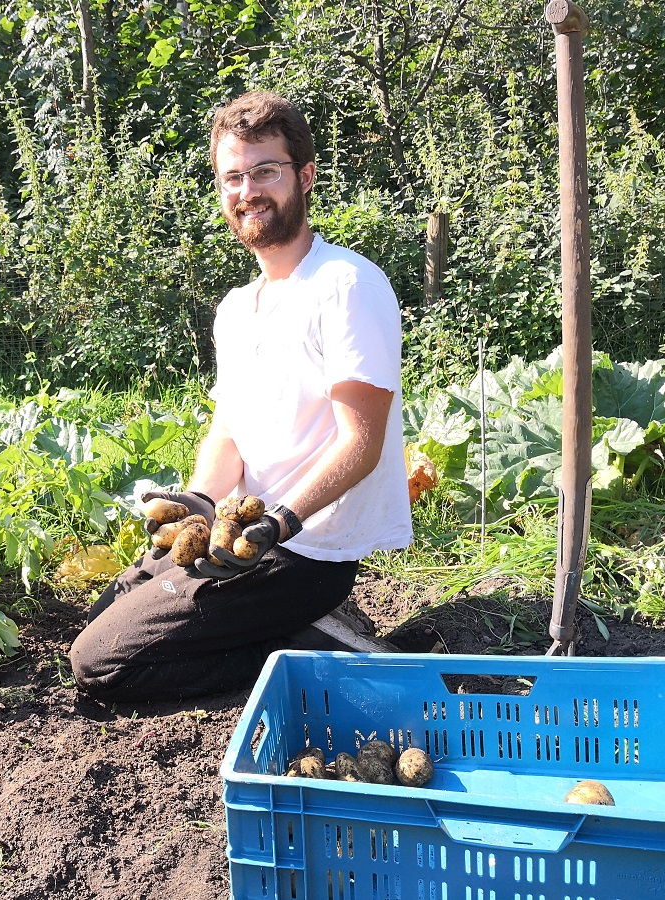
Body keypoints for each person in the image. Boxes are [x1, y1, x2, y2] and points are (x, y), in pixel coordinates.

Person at [68, 91, 412, 702]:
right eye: (233, 176)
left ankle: (313, 648)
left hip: (302, 552)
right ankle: (282, 632)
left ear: (304, 176)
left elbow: (362, 444)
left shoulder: (345, 285)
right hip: (236, 535)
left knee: (101, 664)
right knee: (109, 607)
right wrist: (198, 502)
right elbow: (230, 429)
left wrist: (278, 525)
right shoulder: (236, 309)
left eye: (265, 171)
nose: (248, 189)